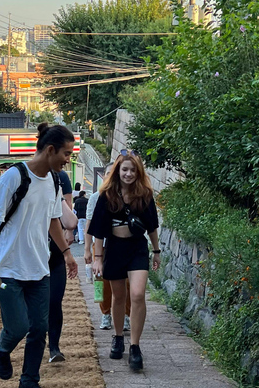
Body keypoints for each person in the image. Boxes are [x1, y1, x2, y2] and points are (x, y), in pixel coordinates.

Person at [0, 123, 79, 388]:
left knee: (39, 329)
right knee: (19, 326)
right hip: (8, 269)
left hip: (40, 269)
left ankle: (29, 380)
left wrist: (67, 253)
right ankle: (2, 348)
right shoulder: (14, 176)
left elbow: (53, 220)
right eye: (66, 154)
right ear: (49, 149)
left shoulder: (55, 181)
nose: (67, 161)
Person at [90, 150, 160, 371]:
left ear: (138, 173)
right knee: (118, 296)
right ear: (118, 171)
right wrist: (97, 259)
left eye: (132, 170)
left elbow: (152, 227)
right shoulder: (107, 196)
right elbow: (99, 231)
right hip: (114, 250)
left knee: (138, 294)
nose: (128, 174)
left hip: (137, 248)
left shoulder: (145, 195)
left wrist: (156, 251)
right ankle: (118, 336)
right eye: (125, 169)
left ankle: (135, 346)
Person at [84, 163, 131, 331]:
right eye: (108, 174)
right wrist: (87, 249)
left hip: (121, 246)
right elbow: (90, 223)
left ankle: (126, 315)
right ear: (103, 176)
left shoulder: (127, 195)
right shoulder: (96, 197)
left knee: (126, 282)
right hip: (101, 248)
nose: (111, 177)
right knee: (102, 282)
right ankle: (105, 314)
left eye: (114, 173)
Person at [47, 169, 77, 363]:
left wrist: (56, 194)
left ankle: (54, 348)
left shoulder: (61, 178)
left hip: (55, 252)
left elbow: (71, 221)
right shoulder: (23, 177)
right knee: (35, 305)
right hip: (31, 255)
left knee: (54, 301)